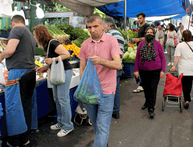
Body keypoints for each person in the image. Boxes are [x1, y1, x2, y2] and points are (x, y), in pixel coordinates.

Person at [78, 14, 122, 147]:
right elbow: (82, 68)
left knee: (102, 126)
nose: (92, 30)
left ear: (103, 26)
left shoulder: (111, 41)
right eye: (89, 27)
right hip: (90, 92)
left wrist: (101, 61)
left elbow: (118, 65)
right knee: (97, 125)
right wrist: (84, 87)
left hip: (107, 90)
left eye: (95, 26)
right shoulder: (85, 44)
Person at [0, 15, 36, 146]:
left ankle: (15, 140)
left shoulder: (16, 30)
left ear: (12, 23)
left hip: (18, 74)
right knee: (26, 106)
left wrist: (1, 56)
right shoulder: (29, 33)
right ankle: (24, 138)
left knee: (14, 106)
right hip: (30, 72)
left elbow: (9, 50)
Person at [34, 25, 74, 137]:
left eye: (35, 35)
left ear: (40, 35)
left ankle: (68, 126)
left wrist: (53, 59)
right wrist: (44, 67)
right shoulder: (46, 45)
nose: (34, 37)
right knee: (57, 98)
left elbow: (66, 54)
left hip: (64, 72)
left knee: (63, 99)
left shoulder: (53, 43)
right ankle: (61, 122)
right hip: (57, 73)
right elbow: (53, 62)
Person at [134, 27, 166, 118]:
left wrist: (163, 71)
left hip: (155, 71)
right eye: (147, 32)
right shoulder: (141, 44)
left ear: (154, 34)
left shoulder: (158, 44)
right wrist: (136, 70)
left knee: (152, 89)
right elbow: (137, 57)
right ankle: (147, 102)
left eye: (151, 32)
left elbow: (163, 58)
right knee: (146, 88)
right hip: (143, 71)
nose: (149, 34)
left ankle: (151, 108)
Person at [170, 30, 193, 109]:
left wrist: (174, 66)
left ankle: (186, 99)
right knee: (189, 83)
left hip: (183, 67)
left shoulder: (180, 45)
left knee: (184, 83)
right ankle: (187, 98)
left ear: (183, 37)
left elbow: (177, 57)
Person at [103, 16, 125, 119]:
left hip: (110, 65)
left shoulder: (109, 34)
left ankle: (108, 111)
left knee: (108, 90)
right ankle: (116, 111)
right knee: (115, 89)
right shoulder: (120, 34)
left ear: (107, 25)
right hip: (118, 64)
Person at [132, 12, 149, 93]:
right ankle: (142, 83)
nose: (139, 20)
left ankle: (142, 84)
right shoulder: (140, 27)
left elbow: (148, 37)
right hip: (140, 48)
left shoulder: (146, 27)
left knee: (142, 66)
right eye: (138, 18)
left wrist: (139, 39)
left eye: (140, 18)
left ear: (144, 18)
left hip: (144, 48)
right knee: (141, 65)